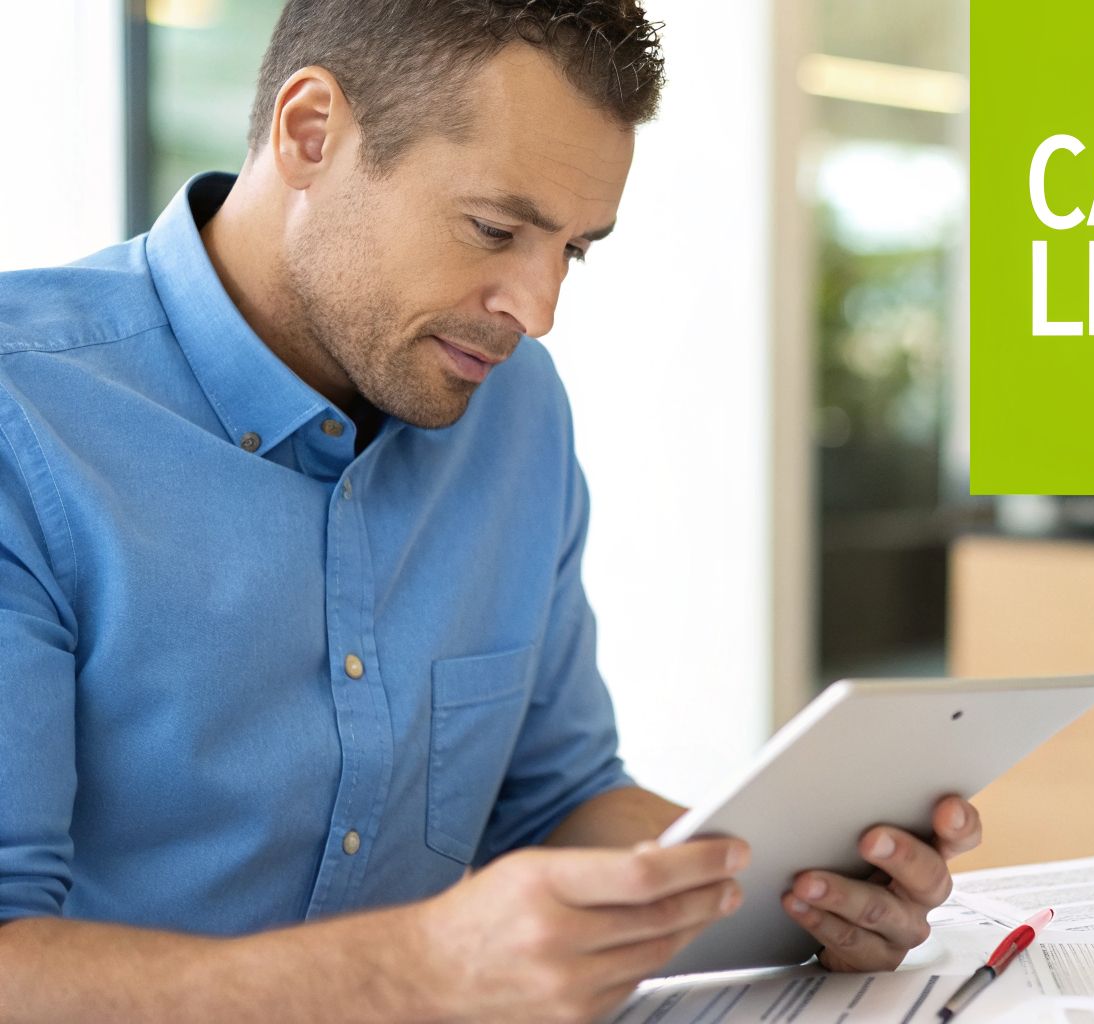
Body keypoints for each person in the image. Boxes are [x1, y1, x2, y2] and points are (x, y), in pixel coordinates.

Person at [0, 2, 982, 1020]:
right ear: (311, 133)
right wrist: (409, 971)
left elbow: (556, 799)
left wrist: (802, 890)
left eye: (574, 249)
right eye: (495, 230)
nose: (537, 310)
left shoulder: (513, 411)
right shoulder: (21, 417)